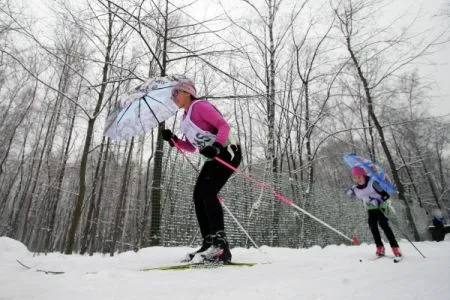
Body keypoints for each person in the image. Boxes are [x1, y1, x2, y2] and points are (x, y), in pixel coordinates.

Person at [160, 78, 241, 264]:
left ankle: (220, 247)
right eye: (172, 95)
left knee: (207, 192)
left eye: (176, 93)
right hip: (213, 157)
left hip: (228, 151)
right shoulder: (185, 118)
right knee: (199, 195)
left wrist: (217, 146)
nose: (174, 98)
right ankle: (209, 243)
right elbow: (190, 146)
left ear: (188, 92)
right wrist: (173, 139)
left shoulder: (200, 106)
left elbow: (223, 126)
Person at [346, 166, 402, 257]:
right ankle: (380, 247)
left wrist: (378, 200)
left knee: (383, 224)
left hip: (380, 206)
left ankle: (395, 247)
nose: (358, 180)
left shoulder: (373, 183)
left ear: (364, 175)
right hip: (370, 208)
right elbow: (349, 194)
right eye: (355, 178)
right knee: (372, 226)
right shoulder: (356, 188)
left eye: (359, 177)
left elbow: (385, 196)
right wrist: (349, 191)